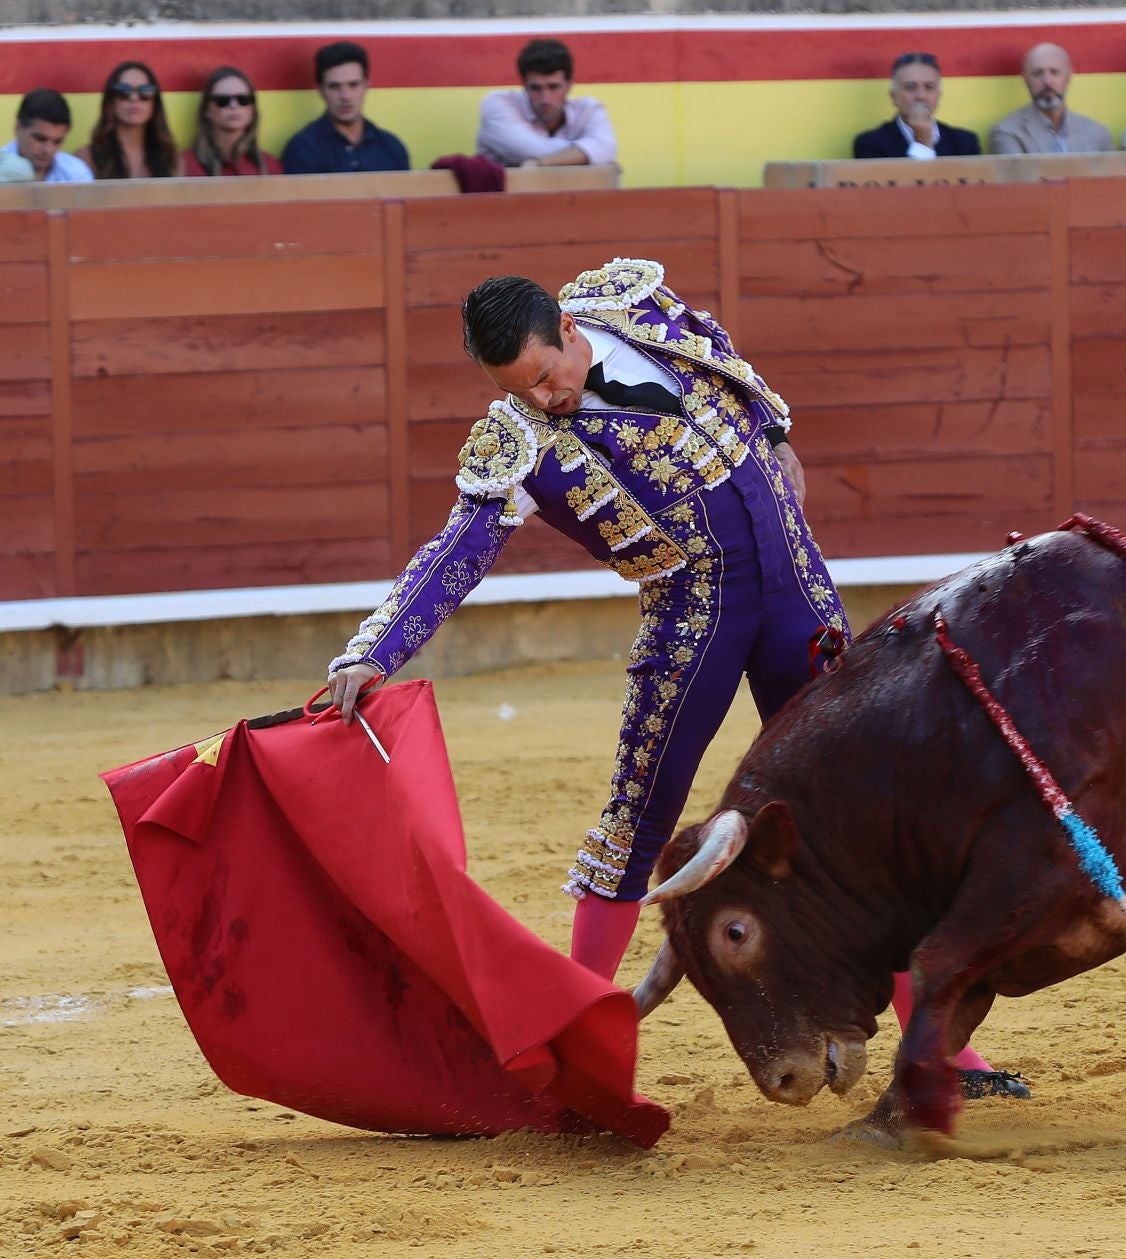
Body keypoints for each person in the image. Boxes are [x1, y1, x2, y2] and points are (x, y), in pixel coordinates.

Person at [323, 260, 1025, 1098]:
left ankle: (939, 1049)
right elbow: (455, 552)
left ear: (571, 333)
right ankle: (570, 1043)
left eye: (548, 376)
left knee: (863, 811)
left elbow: (721, 350)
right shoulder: (520, 440)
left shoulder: (630, 302)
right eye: (521, 389)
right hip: (695, 618)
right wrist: (377, 650)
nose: (544, 399)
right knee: (638, 814)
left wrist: (772, 432)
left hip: (796, 584)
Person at [476, 38, 617, 169]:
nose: (545, 99)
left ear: (569, 85)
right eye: (535, 88)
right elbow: (530, 150)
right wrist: (588, 153)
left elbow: (606, 148)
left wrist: (539, 162)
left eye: (553, 87)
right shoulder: (498, 104)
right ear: (524, 86)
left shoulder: (588, 109)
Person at [282, 41, 411, 174]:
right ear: (320, 89)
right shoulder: (303, 149)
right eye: (334, 86)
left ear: (366, 85)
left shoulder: (391, 147)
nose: (345, 96)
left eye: (353, 85)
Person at [988, 42, 1113, 155]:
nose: (1047, 81)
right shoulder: (1008, 132)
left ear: (1068, 77)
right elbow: (1018, 179)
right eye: (1038, 73)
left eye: (1054, 72)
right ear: (1026, 80)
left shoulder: (1097, 133)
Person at [852, 52, 981, 160]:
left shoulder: (964, 143)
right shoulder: (870, 144)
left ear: (938, 95)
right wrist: (922, 142)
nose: (920, 96)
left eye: (929, 87)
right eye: (910, 87)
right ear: (894, 97)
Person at [81, 61, 179, 179]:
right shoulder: (86, 158)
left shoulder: (171, 160)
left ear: (155, 103)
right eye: (123, 90)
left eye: (145, 91)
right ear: (111, 101)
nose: (134, 98)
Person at [183, 67, 281, 176]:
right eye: (222, 101)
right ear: (206, 110)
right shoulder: (184, 165)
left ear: (253, 109)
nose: (234, 106)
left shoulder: (269, 166)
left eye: (243, 100)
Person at [1, 88, 93, 183]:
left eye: (57, 142)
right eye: (40, 139)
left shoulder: (77, 174)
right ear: (18, 128)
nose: (48, 150)